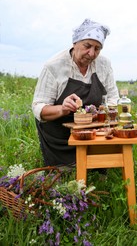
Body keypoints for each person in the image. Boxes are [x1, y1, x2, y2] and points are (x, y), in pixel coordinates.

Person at [32, 18, 119, 168]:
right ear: (75, 43)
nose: (91, 53)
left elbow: (113, 97)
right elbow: (38, 108)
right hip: (59, 136)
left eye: (97, 48)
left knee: (99, 168)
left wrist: (103, 113)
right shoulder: (54, 66)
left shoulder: (104, 65)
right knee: (64, 173)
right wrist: (62, 108)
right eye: (87, 46)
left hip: (91, 132)